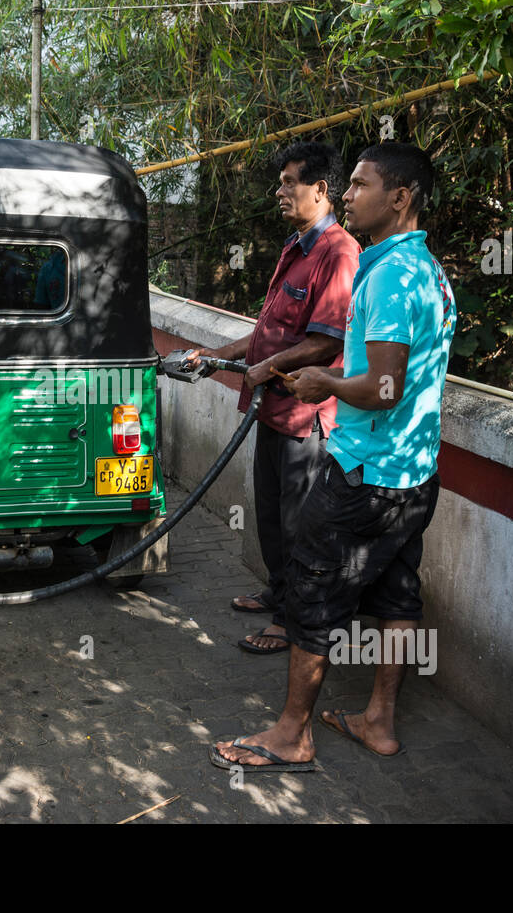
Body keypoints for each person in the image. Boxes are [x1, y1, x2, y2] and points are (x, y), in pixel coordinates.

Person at [211, 142, 457, 772]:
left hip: (363, 473)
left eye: (360, 185)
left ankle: (291, 735)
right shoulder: (428, 268)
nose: (347, 196)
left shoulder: (390, 276)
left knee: (313, 596)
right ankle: (379, 721)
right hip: (415, 474)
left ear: (398, 197)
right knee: (399, 598)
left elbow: (382, 387)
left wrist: (325, 385)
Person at [186, 141, 358, 654]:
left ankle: (291, 620)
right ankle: (278, 592)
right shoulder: (297, 246)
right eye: (280, 182)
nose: (280, 191)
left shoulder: (338, 252)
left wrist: (265, 369)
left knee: (297, 523)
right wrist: (215, 354)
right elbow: (270, 331)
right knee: (269, 514)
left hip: (306, 415)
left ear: (321, 190)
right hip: (270, 409)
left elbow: (327, 341)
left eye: (290, 183)